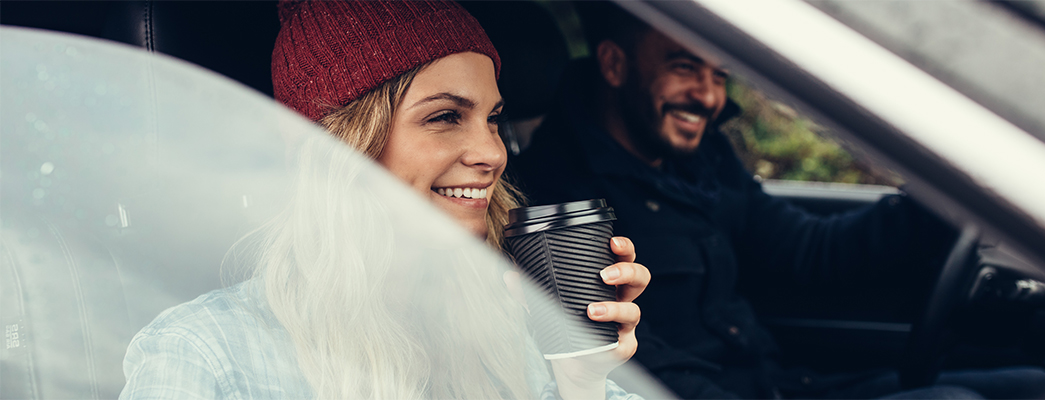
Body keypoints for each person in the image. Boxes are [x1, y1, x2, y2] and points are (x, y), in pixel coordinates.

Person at [510, 3, 1045, 400]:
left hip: (783, 382)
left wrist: (948, 198)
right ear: (613, 65)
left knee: (1039, 385)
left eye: (718, 75)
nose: (707, 96)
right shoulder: (560, 209)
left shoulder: (700, 160)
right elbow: (639, 373)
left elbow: (808, 250)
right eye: (683, 68)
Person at [119, 1, 650, 399]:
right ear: (338, 146)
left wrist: (581, 381)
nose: (492, 152)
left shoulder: (521, 323)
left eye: (493, 118)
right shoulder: (205, 356)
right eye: (445, 116)